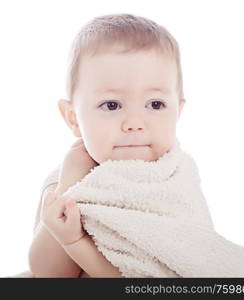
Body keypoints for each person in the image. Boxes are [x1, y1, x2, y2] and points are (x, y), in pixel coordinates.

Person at [28, 13, 186, 278]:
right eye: (111, 105)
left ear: (177, 112)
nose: (134, 123)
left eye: (155, 104)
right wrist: (69, 190)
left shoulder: (176, 184)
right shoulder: (65, 181)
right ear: (73, 118)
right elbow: (47, 276)